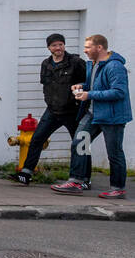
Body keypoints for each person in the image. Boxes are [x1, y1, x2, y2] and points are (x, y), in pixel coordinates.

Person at [53, 34, 129, 198]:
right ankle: (76, 181)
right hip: (93, 114)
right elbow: (95, 85)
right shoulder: (93, 64)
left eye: (88, 47)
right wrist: (82, 86)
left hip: (112, 117)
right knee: (80, 143)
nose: (85, 50)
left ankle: (118, 188)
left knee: (114, 153)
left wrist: (89, 94)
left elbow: (119, 92)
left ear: (99, 48)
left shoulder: (114, 67)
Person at [16, 33, 87, 185]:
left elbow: (86, 83)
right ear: (49, 48)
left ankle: (84, 179)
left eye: (61, 44)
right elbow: (46, 85)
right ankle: (26, 173)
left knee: (81, 144)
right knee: (36, 139)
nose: (58, 48)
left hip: (72, 111)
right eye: (54, 45)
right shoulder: (46, 64)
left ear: (64, 45)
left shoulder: (76, 62)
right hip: (52, 110)